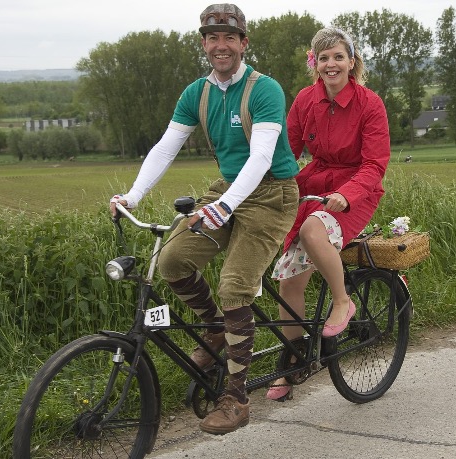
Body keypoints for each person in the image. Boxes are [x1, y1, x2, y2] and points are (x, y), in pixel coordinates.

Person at [109, 3, 299, 434]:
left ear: (243, 43)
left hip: (270, 195)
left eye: (229, 37)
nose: (220, 45)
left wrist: (225, 207)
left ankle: (235, 397)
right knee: (173, 260)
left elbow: (262, 156)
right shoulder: (197, 93)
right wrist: (134, 195)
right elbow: (165, 146)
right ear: (203, 44)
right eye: (212, 37)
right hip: (227, 190)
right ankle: (215, 330)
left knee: (235, 285)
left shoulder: (264, 89)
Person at [266, 27, 391, 401]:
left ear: (351, 62)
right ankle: (293, 362)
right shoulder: (306, 100)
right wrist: (259, 183)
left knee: (312, 231)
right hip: (314, 185)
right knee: (288, 283)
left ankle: (342, 300)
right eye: (324, 58)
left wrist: (346, 194)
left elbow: (374, 164)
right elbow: (286, 151)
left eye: (338, 56)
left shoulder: (370, 104)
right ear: (315, 64)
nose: (331, 64)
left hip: (357, 191)